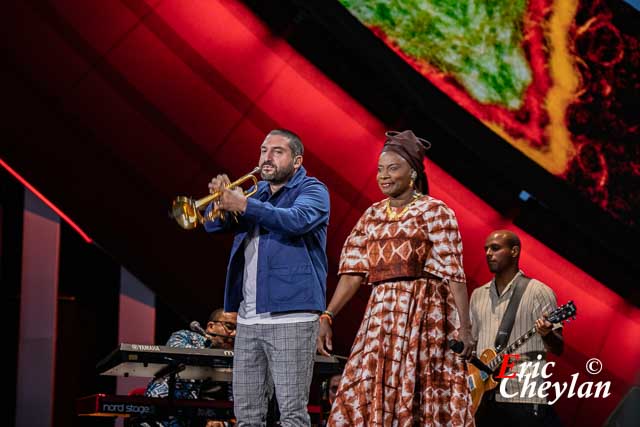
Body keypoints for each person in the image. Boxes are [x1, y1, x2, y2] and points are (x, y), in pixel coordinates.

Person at [317, 130, 475, 426]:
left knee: (417, 393)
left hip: (423, 319)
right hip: (380, 318)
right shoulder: (372, 215)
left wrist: (465, 328)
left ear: (413, 173)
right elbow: (353, 272)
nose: (383, 176)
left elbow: (454, 273)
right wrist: (327, 315)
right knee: (366, 386)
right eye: (380, 169)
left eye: (393, 168)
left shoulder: (435, 211)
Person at [204, 129, 330, 427]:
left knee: (292, 414)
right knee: (247, 416)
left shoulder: (313, 190)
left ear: (296, 161)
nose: (266, 158)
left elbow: (295, 220)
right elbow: (212, 228)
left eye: (277, 151)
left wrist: (244, 205)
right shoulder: (256, 192)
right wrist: (220, 201)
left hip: (292, 317)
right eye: (263, 150)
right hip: (248, 319)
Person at [470, 230, 564, 427]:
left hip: (521, 398)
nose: (488, 253)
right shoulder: (478, 295)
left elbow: (558, 347)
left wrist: (547, 334)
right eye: (486, 249)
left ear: (514, 251)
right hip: (483, 399)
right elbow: (472, 345)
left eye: (495, 248)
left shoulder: (539, 292)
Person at [132, 309, 237, 427]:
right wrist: (210, 347)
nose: (234, 334)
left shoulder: (238, 360)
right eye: (229, 327)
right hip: (166, 418)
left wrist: (222, 423)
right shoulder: (185, 337)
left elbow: (233, 408)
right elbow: (176, 351)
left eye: (239, 330)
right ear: (211, 326)